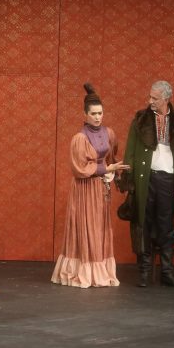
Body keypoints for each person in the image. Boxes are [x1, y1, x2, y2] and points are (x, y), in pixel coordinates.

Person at [51, 83, 129, 288]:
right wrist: (107, 168)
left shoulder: (109, 133)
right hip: (85, 189)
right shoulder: (79, 138)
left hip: (101, 188)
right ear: (84, 115)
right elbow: (80, 168)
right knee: (86, 227)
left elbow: (112, 156)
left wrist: (114, 173)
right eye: (93, 113)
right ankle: (83, 272)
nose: (97, 117)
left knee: (99, 227)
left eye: (100, 113)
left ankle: (100, 272)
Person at [119, 80, 174, 288]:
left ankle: (167, 272)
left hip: (168, 179)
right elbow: (130, 150)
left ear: (166, 99)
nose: (150, 101)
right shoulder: (141, 120)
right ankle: (144, 272)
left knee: (165, 225)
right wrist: (128, 178)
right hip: (146, 178)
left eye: (155, 98)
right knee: (144, 222)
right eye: (150, 97)